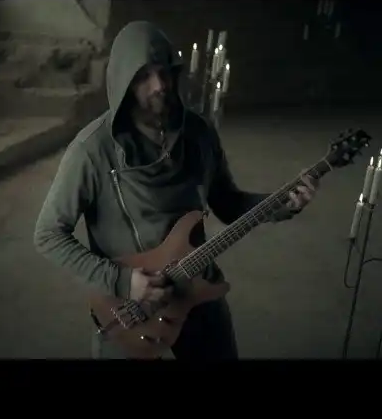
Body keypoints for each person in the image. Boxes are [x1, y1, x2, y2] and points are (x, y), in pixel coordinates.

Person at [33, 21, 318, 360]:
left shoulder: (199, 133)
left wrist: (282, 204)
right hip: (129, 305)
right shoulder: (91, 151)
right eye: (143, 77)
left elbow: (228, 203)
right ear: (122, 82)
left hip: (197, 289)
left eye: (164, 71)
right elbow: (48, 234)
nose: (160, 86)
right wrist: (123, 281)